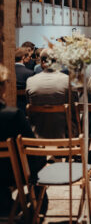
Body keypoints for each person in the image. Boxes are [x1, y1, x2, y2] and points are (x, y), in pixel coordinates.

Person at [0, 64, 46, 216]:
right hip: (11, 173)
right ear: (2, 87)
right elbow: (31, 147)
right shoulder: (12, 115)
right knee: (37, 162)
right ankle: (36, 203)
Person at [25, 49, 78, 138]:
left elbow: (28, 106)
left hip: (37, 134)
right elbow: (73, 107)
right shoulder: (67, 80)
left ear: (42, 62)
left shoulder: (30, 81)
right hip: (63, 134)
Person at [15, 47, 34, 113]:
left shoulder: (8, 72)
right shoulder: (29, 73)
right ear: (23, 57)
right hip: (25, 107)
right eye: (28, 56)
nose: (29, 58)